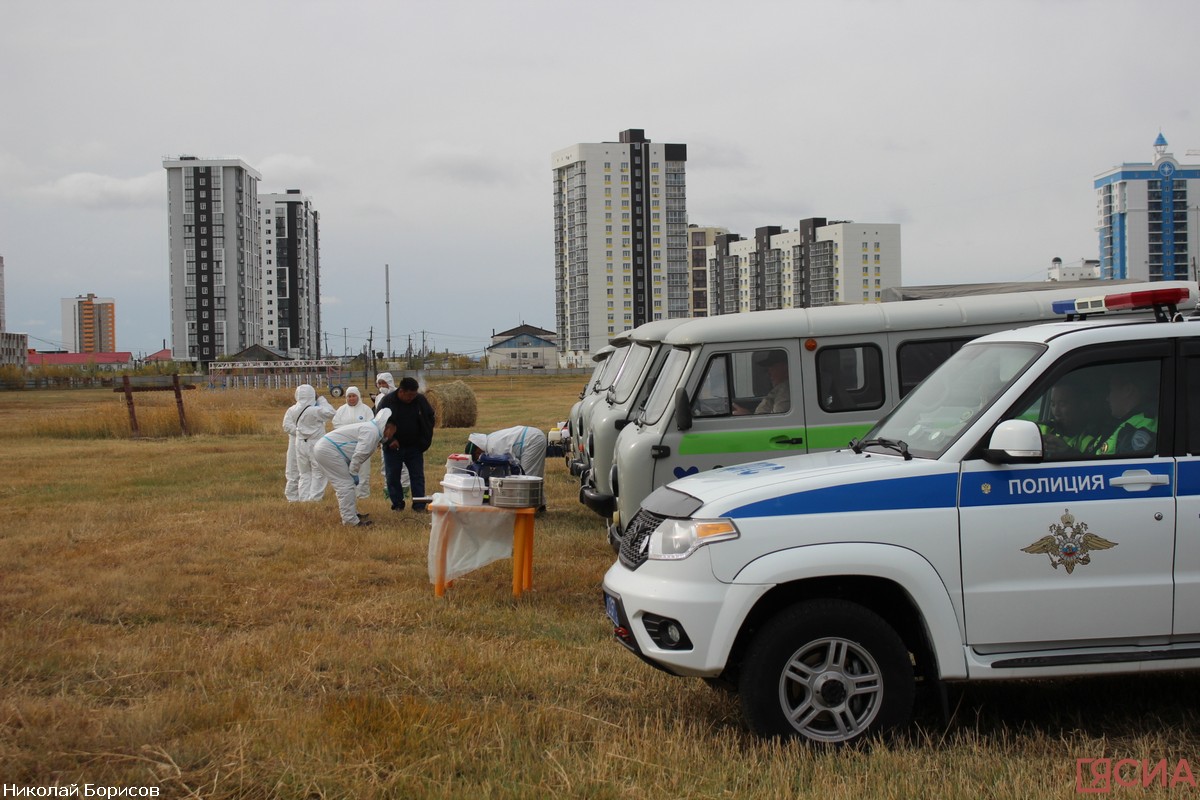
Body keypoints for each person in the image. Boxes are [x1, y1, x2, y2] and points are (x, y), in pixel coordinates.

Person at [312, 409, 392, 527]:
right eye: (394, 431)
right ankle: (350, 521)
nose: (392, 435)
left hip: (327, 448)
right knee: (345, 485)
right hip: (328, 450)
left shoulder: (372, 429)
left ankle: (352, 514)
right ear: (388, 426)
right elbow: (359, 454)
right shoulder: (372, 432)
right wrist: (353, 472)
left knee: (347, 484)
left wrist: (352, 472)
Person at [376, 376, 436, 511]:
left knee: (417, 477)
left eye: (414, 395)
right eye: (409, 395)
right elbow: (378, 424)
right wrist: (389, 440)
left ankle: (419, 505)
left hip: (415, 447)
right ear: (401, 391)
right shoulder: (388, 401)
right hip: (393, 448)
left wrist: (423, 441)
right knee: (392, 476)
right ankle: (397, 504)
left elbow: (429, 418)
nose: (412, 398)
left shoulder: (420, 400)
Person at [283, 384, 336, 501]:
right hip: (315, 443)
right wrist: (321, 399)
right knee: (318, 471)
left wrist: (298, 432)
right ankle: (314, 499)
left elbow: (286, 425)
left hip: (300, 443)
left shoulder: (292, 410)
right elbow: (331, 412)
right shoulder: (314, 410)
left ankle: (304, 498)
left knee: (304, 473)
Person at [1095, 366, 1158, 456]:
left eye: (1111, 390)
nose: (1107, 398)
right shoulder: (1127, 423)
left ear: (1127, 390)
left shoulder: (1141, 427)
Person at [1040, 378, 1103, 457]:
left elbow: (1092, 467)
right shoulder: (1040, 428)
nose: (1056, 412)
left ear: (1083, 405)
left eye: (1062, 404)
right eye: (1053, 404)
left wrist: (1067, 451)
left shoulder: (1094, 437)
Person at [333, 386, 373, 499]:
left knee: (363, 472)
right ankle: (348, 495)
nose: (351, 398)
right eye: (349, 396)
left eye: (353, 396)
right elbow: (336, 424)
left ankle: (363, 495)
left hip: (362, 445)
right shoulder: (341, 410)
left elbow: (370, 426)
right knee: (346, 471)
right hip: (345, 446)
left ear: (358, 396)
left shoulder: (366, 410)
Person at [466, 426, 548, 479]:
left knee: (528, 479)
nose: (478, 458)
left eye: (476, 457)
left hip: (532, 440)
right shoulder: (490, 439)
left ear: (478, 450)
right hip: (532, 437)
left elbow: (511, 462)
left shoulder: (492, 447)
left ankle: (534, 505)